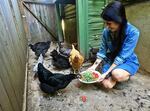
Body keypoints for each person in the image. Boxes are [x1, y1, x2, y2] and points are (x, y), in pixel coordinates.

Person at [88, 1, 140, 89]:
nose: (107, 26)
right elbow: (102, 51)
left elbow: (122, 57)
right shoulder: (106, 32)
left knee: (116, 74)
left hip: (127, 60)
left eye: (109, 23)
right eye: (105, 23)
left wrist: (105, 74)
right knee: (106, 85)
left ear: (119, 20)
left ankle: (124, 74)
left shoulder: (133, 32)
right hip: (112, 58)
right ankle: (114, 77)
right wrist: (93, 67)